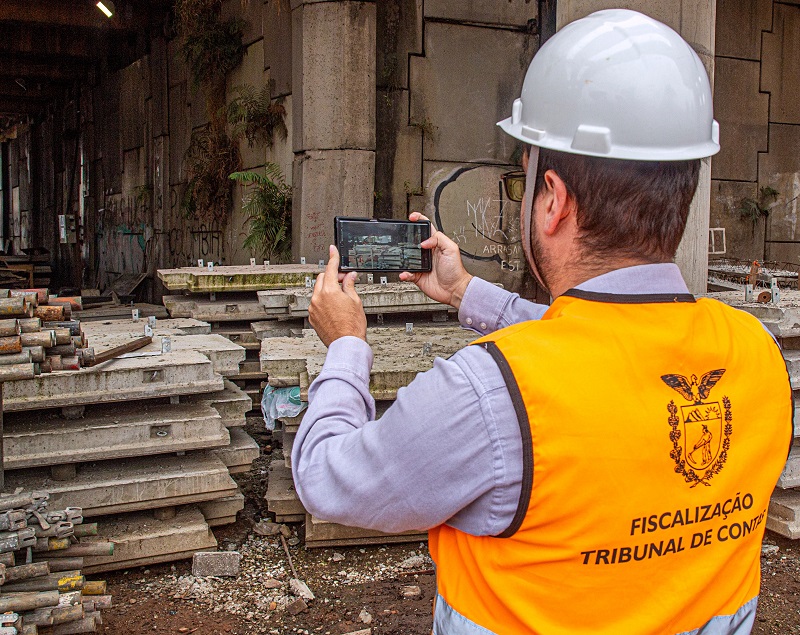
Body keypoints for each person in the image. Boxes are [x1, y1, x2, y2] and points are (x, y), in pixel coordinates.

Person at [292, 9, 793, 635]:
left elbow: (328, 479)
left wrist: (346, 347)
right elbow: (606, 346)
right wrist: (465, 293)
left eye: (522, 181)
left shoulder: (486, 393)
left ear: (553, 199)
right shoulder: (757, 353)